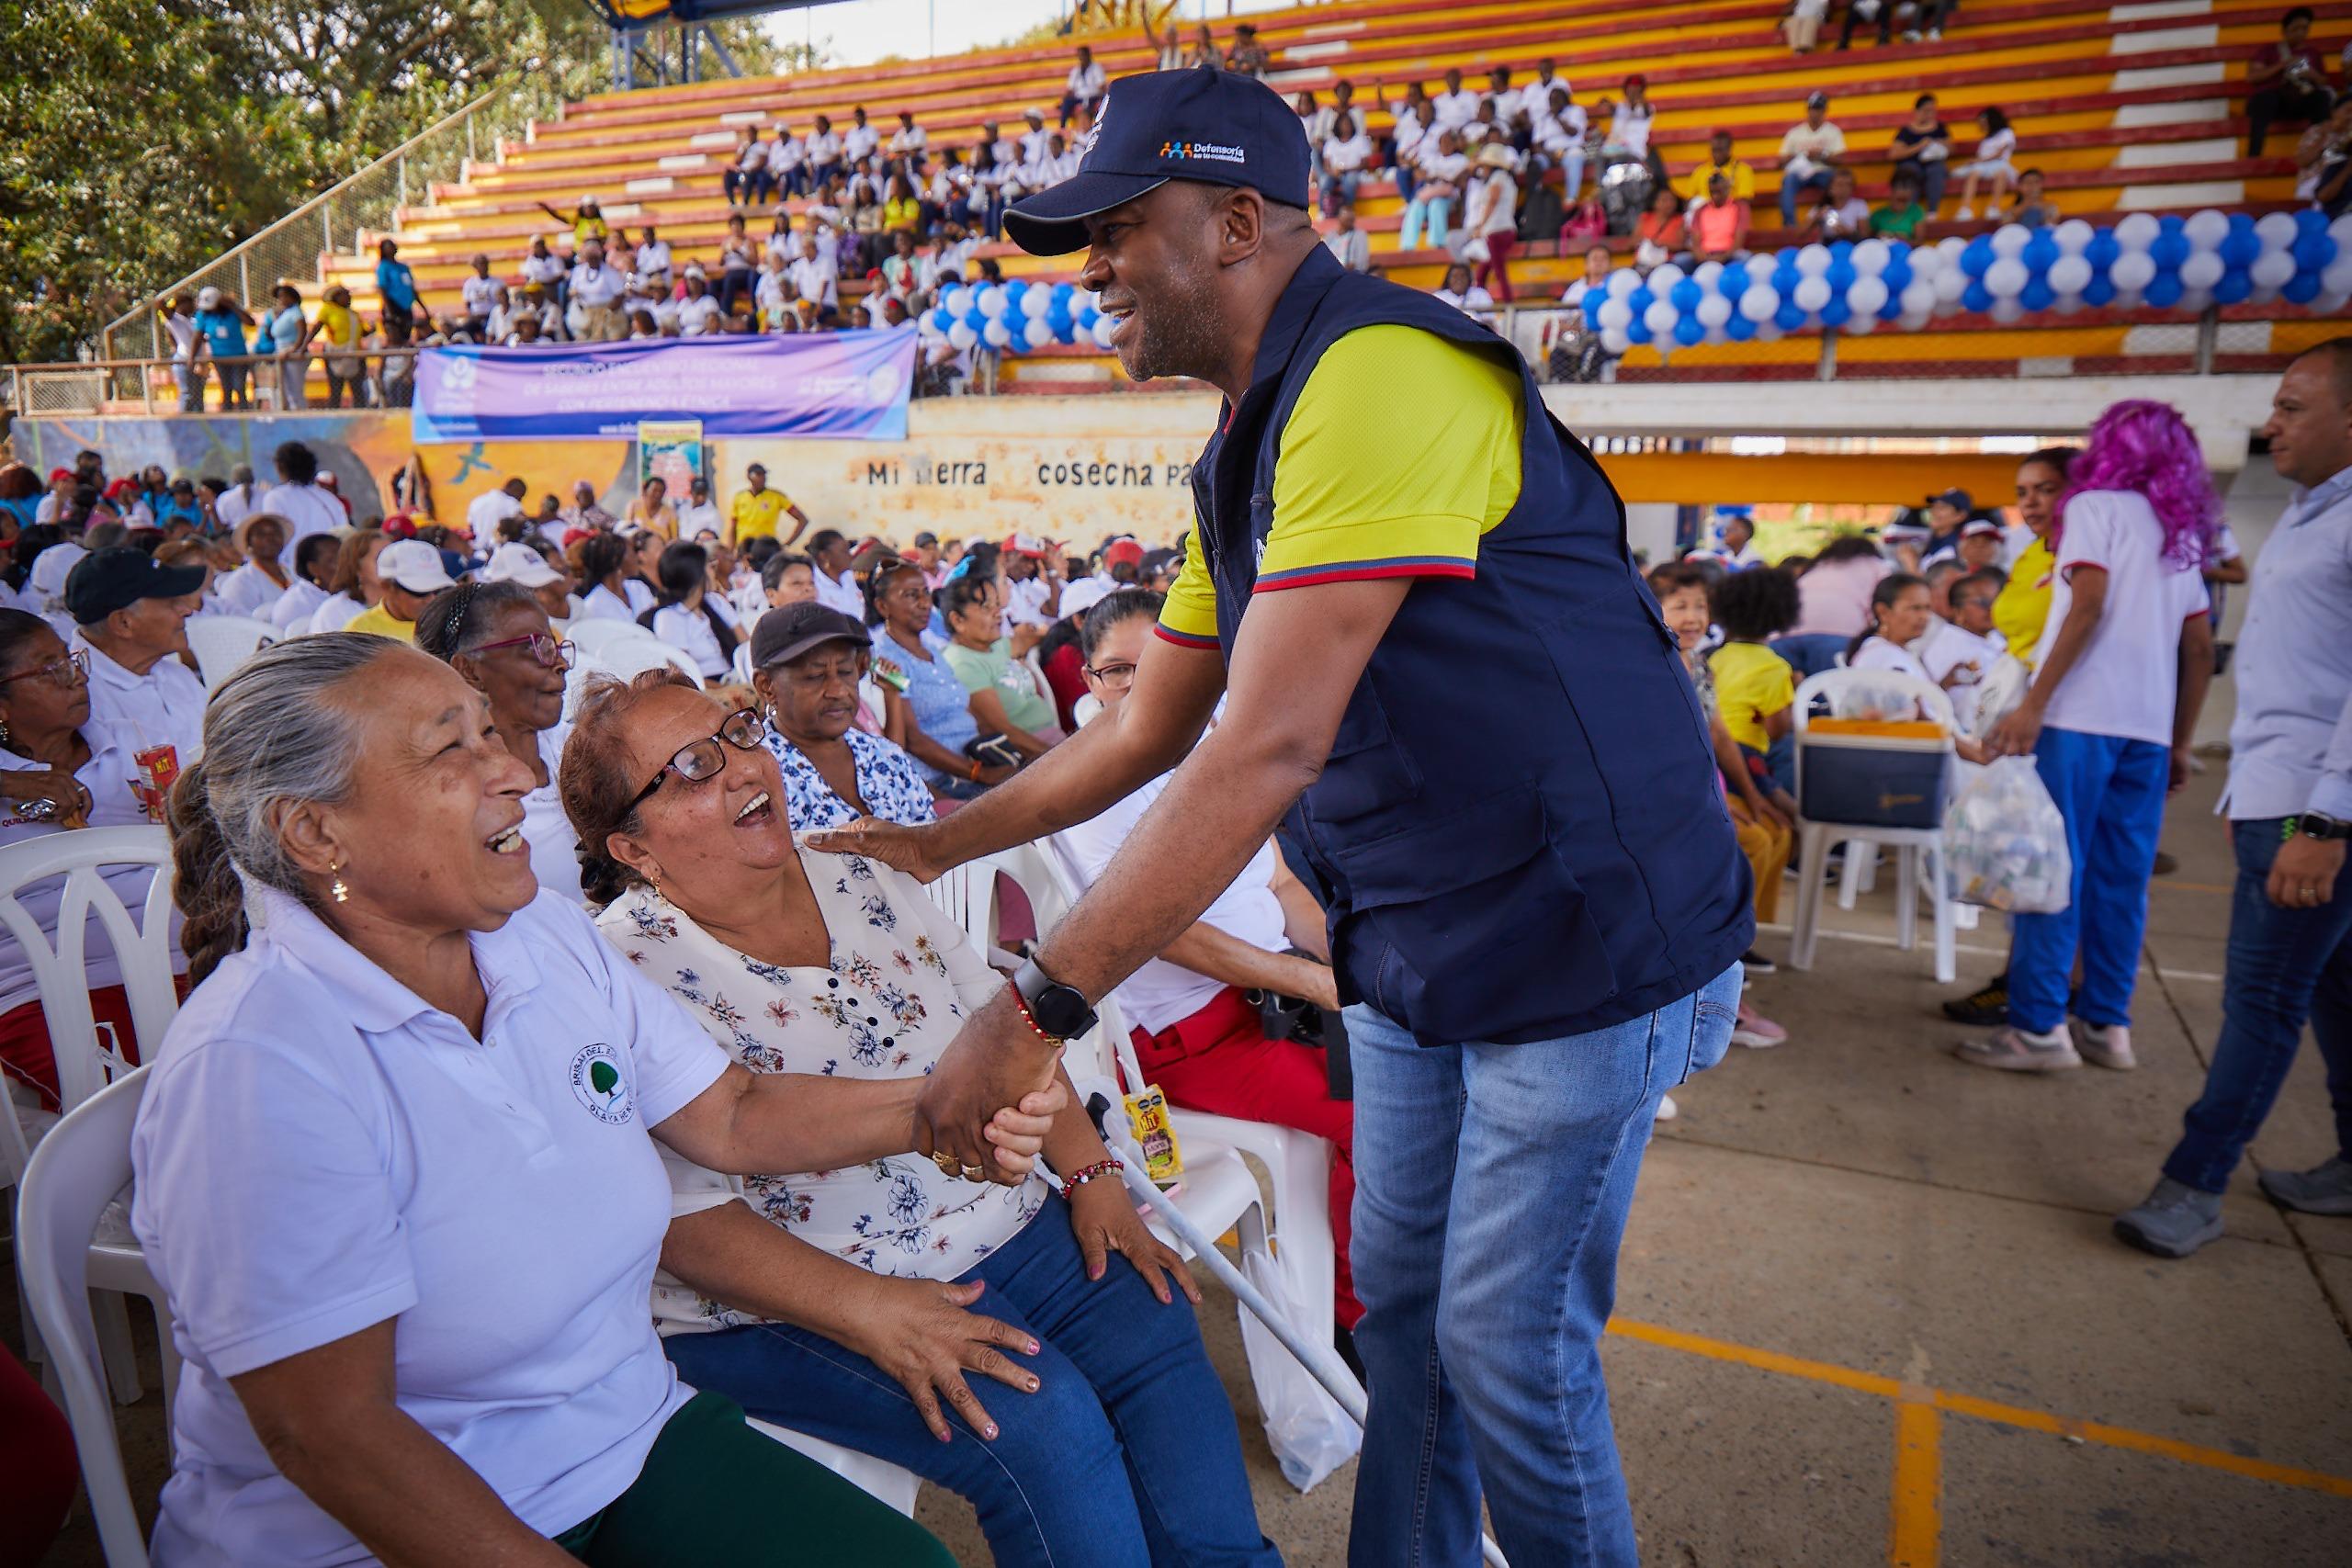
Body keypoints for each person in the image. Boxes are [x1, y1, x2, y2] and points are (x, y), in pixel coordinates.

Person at [818, 68, 1751, 1567]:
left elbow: (1261, 747)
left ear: (1240, 219)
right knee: (1407, 1305)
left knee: (1510, 1351)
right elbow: (1143, 726)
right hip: (1430, 938)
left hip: (1579, 937)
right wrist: (944, 842)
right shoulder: (1247, 448)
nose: (1093, 272)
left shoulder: (1379, 373)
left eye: (1119, 229)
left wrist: (1044, 999)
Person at [132, 635, 1045, 1568]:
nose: (514, 772)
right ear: (317, 833)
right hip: (367, 1535)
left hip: (625, 1436)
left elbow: (731, 1114)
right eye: (454, 750)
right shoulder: (259, 1066)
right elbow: (333, 1437)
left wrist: (953, 1097)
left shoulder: (538, 940)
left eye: (493, 734)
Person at [555, 670, 1276, 1568]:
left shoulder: (860, 870)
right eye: (694, 766)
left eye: (738, 732)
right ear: (633, 846)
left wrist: (1093, 1175)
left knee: (1153, 1317)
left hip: (992, 1220)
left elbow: (1003, 1027)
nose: (743, 767)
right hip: (791, 1296)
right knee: (1043, 1424)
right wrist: (870, 1309)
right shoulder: (615, 974)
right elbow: (677, 1222)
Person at [1053, 589, 1364, 1330]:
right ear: (1090, 682)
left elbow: (1283, 882)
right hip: (1189, 1035)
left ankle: (1375, 1281)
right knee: (1373, 1116)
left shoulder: (1218, 750)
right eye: (1115, 669)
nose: (1135, 684)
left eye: (1154, 663)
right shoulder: (1097, 784)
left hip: (1265, 1006)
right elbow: (1161, 930)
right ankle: (1360, 1320)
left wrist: (1349, 965)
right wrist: (1312, 980)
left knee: (1413, 1067)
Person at [2112, 341, 2352, 1253]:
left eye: (2292, 407)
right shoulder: (2306, 512)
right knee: (2331, 989)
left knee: (2262, 999)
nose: (2271, 424)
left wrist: (2325, 817)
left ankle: (2193, 1184)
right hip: (2277, 791)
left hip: (2311, 807)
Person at [1958, 400, 2217, 1073]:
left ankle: (2039, 1028)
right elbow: (2198, 647)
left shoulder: (2095, 507)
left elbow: (2089, 603)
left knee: (2052, 873)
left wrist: (2035, 704)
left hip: (2078, 719)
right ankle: (2107, 1023)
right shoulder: (2176, 531)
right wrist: (2181, 742)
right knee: (2120, 881)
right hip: (2147, 732)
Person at [0, 611, 186, 1109]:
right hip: (44, 987)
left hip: (177, 955)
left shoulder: (133, 738)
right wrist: (9, 781)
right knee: (121, 1110)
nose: (78, 676)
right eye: (50, 669)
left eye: (71, 659)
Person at [414, 580, 582, 902]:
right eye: (535, 647)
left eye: (554, 646)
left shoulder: (571, 750)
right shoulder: (462, 806)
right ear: (470, 670)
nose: (559, 663)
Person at [746, 603, 933, 829]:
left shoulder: (886, 755)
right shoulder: (755, 780)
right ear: (767, 687)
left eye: (845, 672)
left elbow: (933, 846)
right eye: (815, 676)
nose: (839, 690)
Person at [64, 548, 208, 808]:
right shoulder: (71, 696)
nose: (188, 610)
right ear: (123, 623)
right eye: (171, 602)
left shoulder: (176, 675)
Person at [869, 560, 1013, 799]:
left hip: (976, 756)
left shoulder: (930, 648)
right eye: (910, 595)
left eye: (925, 592)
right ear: (883, 606)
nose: (924, 603)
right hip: (943, 779)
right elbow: (913, 739)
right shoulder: (886, 660)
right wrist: (980, 773)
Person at [941, 573, 1061, 761]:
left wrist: (1048, 632)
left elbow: (1024, 641)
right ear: (957, 620)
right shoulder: (963, 663)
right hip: (1031, 756)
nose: (998, 613)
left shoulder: (991, 645)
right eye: (986, 607)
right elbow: (1004, 732)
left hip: (1051, 739)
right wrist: (1061, 757)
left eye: (996, 604)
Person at [641, 542, 739, 683]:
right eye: (709, 566)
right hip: (707, 691)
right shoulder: (669, 617)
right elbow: (681, 677)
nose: (714, 571)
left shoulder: (715, 601)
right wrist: (728, 691)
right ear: (696, 575)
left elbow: (746, 646)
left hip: (735, 678)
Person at [2246, 6, 2337, 157]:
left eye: (2304, 28)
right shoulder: (2269, 50)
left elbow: (2323, 81)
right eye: (2295, 29)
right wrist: (2282, 65)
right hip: (2275, 102)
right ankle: (2254, 155)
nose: (2300, 32)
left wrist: (2311, 74)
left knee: (2321, 98)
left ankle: (2322, 151)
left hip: (2302, 100)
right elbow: (2252, 77)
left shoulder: (2313, 53)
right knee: (2264, 99)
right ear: (2285, 31)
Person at [341, 538, 458, 644]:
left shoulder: (453, 622)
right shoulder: (360, 633)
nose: (431, 599)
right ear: (387, 587)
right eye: (420, 591)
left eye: (439, 590)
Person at [258, 442, 345, 569]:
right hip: (330, 571)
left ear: (280, 466)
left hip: (292, 572)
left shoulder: (276, 497)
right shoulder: (329, 499)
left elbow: (273, 539)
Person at [1462, 143, 1521, 301]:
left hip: (1496, 230)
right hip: (1506, 228)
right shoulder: (1508, 179)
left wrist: (1481, 225)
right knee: (1484, 270)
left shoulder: (1497, 178)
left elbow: (1492, 201)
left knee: (1499, 271)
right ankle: (1478, 297)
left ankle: (1509, 304)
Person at [1778, 92, 1847, 227]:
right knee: (1788, 180)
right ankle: (1790, 224)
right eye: (1812, 109)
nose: (1815, 113)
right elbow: (1780, 160)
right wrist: (1800, 155)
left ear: (1824, 111)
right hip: (1800, 173)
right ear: (1808, 110)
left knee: (1836, 181)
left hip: (1824, 172)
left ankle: (1827, 220)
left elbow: (1840, 159)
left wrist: (1822, 155)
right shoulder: (1795, 133)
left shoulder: (1833, 131)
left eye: (1818, 109)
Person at [213, 515, 293, 618]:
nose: (270, 538)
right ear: (248, 544)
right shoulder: (239, 582)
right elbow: (236, 624)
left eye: (275, 533)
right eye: (261, 534)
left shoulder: (294, 572)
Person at [193, 288, 255, 412]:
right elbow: (198, 336)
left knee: (239, 386)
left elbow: (250, 322)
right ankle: (227, 414)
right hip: (219, 357)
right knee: (226, 387)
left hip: (238, 356)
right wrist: (192, 357)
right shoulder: (203, 315)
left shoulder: (232, 312)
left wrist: (233, 307)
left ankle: (245, 413)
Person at [1951, 106, 2018, 221]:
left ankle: (1994, 206)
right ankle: (1965, 208)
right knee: (1973, 174)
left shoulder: (2007, 133)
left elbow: (2000, 154)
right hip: (1984, 165)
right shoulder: (1986, 139)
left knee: (2001, 174)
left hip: (1999, 163)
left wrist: (1978, 161)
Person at [1891, 94, 1952, 215]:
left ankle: (1932, 211)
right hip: (1911, 164)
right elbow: (1894, 154)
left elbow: (1952, 149)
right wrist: (1919, 146)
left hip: (1932, 165)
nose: (1929, 114)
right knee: (1910, 172)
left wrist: (1939, 144)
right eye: (1926, 111)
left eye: (1932, 111)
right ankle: (1910, 212)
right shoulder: (1906, 131)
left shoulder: (1940, 128)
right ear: (1917, 111)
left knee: (1937, 170)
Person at [1871, 168, 1931, 240]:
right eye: (1899, 187)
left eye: (1909, 187)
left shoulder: (1916, 212)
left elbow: (1919, 242)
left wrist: (1905, 240)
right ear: (1892, 190)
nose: (1904, 191)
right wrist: (1878, 236)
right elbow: (1868, 240)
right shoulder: (1879, 214)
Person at [1060, 43, 1106, 127]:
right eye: (1080, 56)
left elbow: (1101, 85)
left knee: (1099, 105)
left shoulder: (1096, 68)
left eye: (1083, 55)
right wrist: (1063, 100)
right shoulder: (1076, 70)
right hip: (1079, 97)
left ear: (1088, 55)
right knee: (1066, 103)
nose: (1082, 58)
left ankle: (1096, 126)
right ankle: (1062, 126)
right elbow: (1070, 89)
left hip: (1093, 96)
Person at [627, 476, 679, 542]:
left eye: (661, 491)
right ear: (646, 490)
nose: (658, 494)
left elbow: (675, 539)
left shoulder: (670, 512)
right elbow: (627, 529)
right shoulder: (634, 506)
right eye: (654, 490)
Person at [675, 476, 723, 541]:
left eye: (703, 494)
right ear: (691, 492)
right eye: (698, 493)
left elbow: (714, 537)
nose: (701, 497)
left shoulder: (713, 514)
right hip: (681, 547)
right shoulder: (683, 509)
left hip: (699, 549)